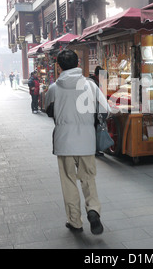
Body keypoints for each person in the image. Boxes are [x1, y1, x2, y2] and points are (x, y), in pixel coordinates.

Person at [45, 49, 110, 235]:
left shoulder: (54, 88)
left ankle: (75, 221)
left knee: (68, 181)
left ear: (59, 66)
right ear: (77, 63)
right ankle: (93, 210)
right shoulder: (90, 85)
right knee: (88, 178)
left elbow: (49, 111)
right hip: (87, 141)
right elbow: (105, 109)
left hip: (64, 141)